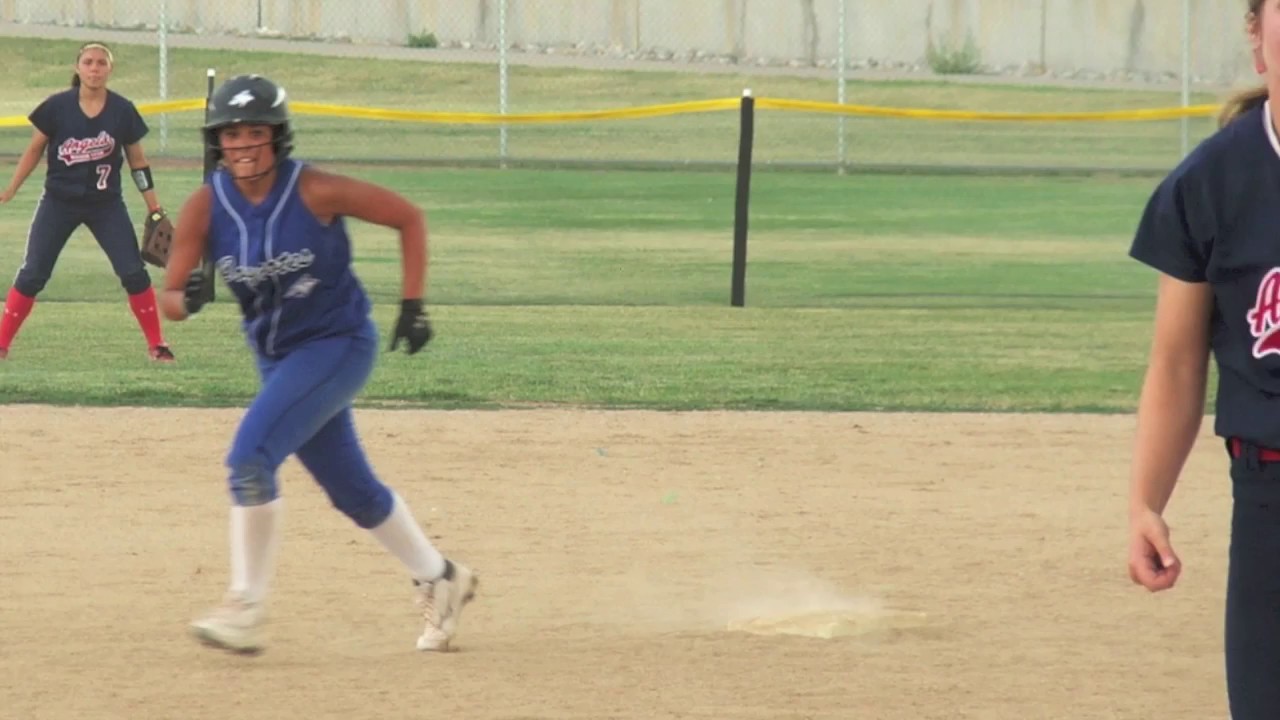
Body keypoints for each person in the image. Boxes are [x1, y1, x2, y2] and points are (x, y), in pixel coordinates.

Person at [159, 74, 477, 654]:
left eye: (256, 132)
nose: (243, 145)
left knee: (250, 458)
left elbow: (407, 216)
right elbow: (170, 301)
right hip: (277, 361)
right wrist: (190, 297)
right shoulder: (207, 204)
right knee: (352, 491)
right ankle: (441, 577)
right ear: (217, 142)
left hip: (337, 345)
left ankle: (246, 606)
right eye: (231, 134)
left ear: (278, 137)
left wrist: (413, 303)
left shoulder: (315, 190)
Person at [1127, 1, 1280, 716]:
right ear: (1257, 35)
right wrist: (1145, 502)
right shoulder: (1214, 180)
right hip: (1269, 495)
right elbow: (1178, 363)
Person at [0, 40, 174, 362]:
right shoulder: (56, 107)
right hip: (58, 202)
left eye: (101, 63)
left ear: (110, 69)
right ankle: (2, 343)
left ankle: (157, 344)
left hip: (106, 204)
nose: (94, 68)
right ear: (77, 68)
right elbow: (34, 149)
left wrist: (153, 204)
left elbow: (138, 161)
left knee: (133, 272)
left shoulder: (122, 110)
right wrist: (11, 188)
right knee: (34, 272)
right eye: (88, 62)